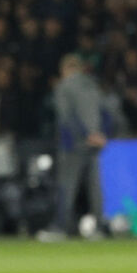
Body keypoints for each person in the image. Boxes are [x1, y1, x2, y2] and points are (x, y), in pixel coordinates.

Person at [48, 52, 112, 240]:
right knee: (94, 188)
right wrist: (101, 134)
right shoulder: (93, 86)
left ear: (66, 69)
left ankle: (60, 227)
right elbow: (109, 114)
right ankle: (99, 228)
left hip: (74, 145)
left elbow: (66, 118)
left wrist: (86, 135)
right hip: (95, 144)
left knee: (67, 186)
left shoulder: (64, 87)